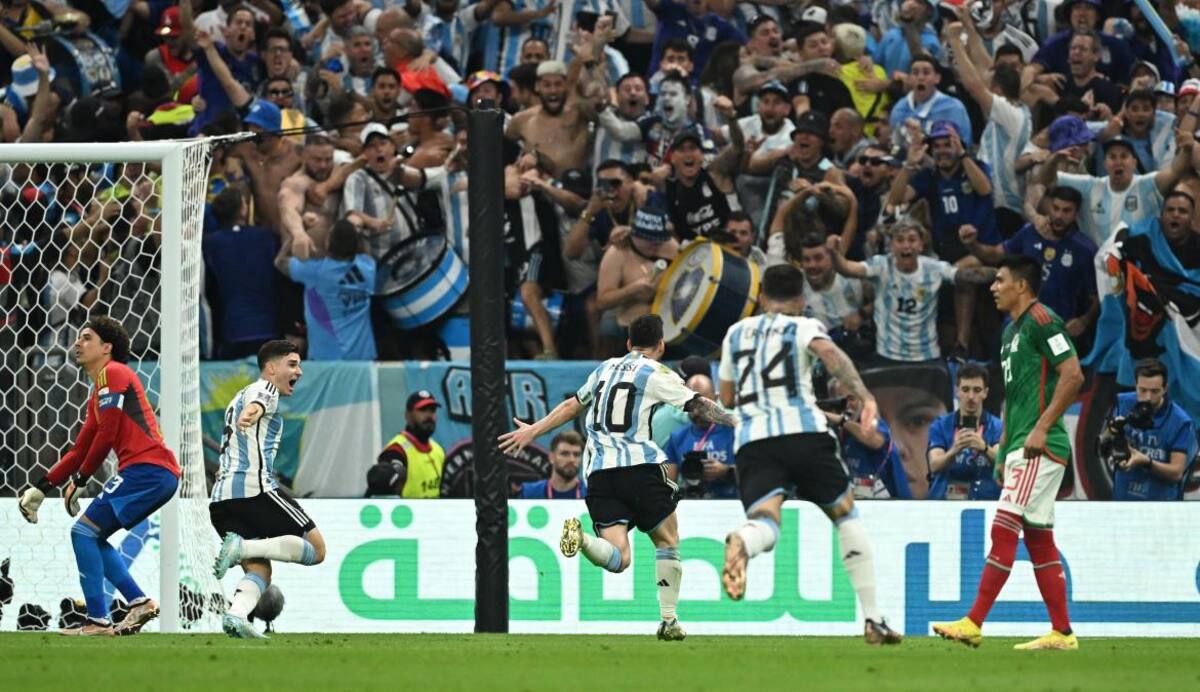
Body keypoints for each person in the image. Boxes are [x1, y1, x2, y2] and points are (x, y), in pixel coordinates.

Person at [498, 313, 736, 641]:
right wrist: (735, 421)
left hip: (598, 474)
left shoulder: (605, 367)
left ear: (628, 344)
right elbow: (697, 406)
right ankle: (668, 621)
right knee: (667, 540)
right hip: (638, 467)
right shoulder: (656, 371)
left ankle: (581, 539)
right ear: (661, 345)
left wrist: (536, 430)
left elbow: (573, 405)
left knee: (619, 558)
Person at [716, 264, 902, 645]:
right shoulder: (803, 326)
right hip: (804, 434)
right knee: (846, 514)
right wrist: (865, 396)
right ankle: (872, 619)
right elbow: (831, 356)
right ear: (801, 300)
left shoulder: (735, 334)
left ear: (762, 297)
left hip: (754, 441)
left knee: (766, 522)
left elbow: (729, 397)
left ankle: (743, 541)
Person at [934, 255, 1085, 651]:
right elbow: (1016, 398)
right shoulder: (1009, 332)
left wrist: (1041, 427)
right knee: (1038, 539)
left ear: (1021, 285)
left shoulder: (1043, 320)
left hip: (1040, 445)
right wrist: (1002, 454)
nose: (993, 287)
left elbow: (1073, 375)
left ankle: (974, 621)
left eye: (999, 280)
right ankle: (1062, 633)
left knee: (1003, 526)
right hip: (1018, 445)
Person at [17, 316, 181, 636]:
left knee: (82, 533)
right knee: (91, 535)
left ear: (107, 348)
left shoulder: (113, 372)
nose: (78, 343)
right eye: (78, 338)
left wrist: (79, 481)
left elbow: (108, 433)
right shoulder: (99, 392)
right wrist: (41, 488)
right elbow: (80, 449)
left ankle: (98, 620)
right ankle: (138, 602)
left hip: (148, 470)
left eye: (87, 338)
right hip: (151, 473)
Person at [210, 340, 326, 639]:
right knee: (317, 550)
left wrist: (247, 411)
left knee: (260, 570)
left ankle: (236, 616)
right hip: (255, 491)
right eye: (292, 364)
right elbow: (261, 401)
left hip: (222, 499)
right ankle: (242, 548)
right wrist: (252, 412)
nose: (298, 371)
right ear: (272, 368)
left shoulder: (238, 396)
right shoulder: (265, 389)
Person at [827, 221, 997, 364]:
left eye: (912, 240)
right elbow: (847, 269)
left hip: (927, 356)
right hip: (887, 356)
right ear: (892, 245)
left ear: (921, 245)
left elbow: (967, 276)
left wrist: (1001, 273)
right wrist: (834, 254)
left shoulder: (934, 268)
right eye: (899, 240)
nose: (906, 245)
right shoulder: (881, 265)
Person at [960, 186, 1099, 340]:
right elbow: (995, 255)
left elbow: (1096, 296)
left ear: (1076, 214)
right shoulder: (1030, 233)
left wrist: (1084, 321)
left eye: (1066, 211)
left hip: (1057, 329)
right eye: (1055, 208)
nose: (1059, 215)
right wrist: (972, 244)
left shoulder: (1084, 249)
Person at [278, 218, 376, 361]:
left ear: (327, 243)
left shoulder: (315, 272)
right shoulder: (368, 268)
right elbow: (365, 249)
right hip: (363, 360)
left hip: (326, 361)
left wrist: (298, 233)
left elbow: (280, 261)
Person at [1103, 359, 1197, 501]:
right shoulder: (1124, 404)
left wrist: (1146, 461)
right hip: (1123, 500)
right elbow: (1103, 444)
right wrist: (1112, 435)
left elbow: (1176, 472)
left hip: (1162, 505)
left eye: (1155, 391)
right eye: (1142, 390)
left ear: (1165, 388)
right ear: (1136, 386)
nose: (1147, 397)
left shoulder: (1180, 422)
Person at [926, 363, 1004, 501]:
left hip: (987, 502)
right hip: (945, 503)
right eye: (965, 389)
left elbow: (1003, 462)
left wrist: (984, 448)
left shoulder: (997, 427)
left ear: (985, 392)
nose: (971, 396)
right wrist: (955, 449)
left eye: (977, 390)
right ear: (957, 391)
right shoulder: (940, 425)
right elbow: (934, 465)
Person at [826, 377, 910, 500]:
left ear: (861, 400)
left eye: (851, 399)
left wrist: (840, 420)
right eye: (841, 400)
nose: (847, 405)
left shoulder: (872, 423)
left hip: (891, 506)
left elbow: (872, 439)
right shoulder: (839, 432)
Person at [664, 373, 737, 499]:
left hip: (731, 502)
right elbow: (668, 486)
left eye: (702, 405)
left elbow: (758, 472)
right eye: (691, 405)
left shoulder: (734, 431)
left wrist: (726, 471)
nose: (697, 412)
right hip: (691, 504)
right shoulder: (677, 437)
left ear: (715, 398)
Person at [377, 390, 446, 499]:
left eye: (432, 410)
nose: (429, 415)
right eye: (422, 410)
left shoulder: (438, 450)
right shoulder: (396, 449)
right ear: (408, 415)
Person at [519, 431, 586, 498]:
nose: (572, 460)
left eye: (577, 455)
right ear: (551, 457)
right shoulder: (529, 493)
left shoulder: (590, 493)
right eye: (565, 454)